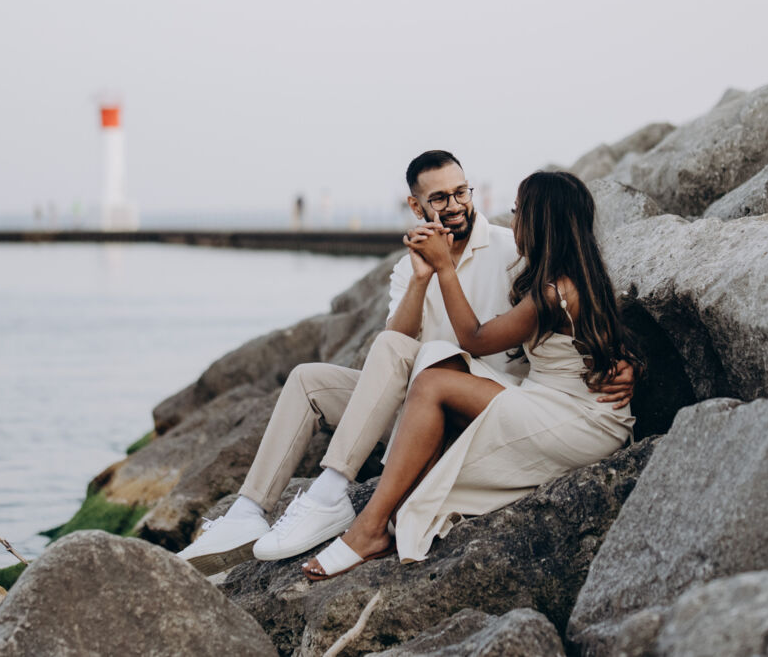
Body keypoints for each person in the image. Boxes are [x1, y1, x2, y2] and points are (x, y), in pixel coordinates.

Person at [178, 153, 635, 575]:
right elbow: (394, 344)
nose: (454, 205)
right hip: (419, 401)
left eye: (461, 192)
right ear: (416, 207)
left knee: (429, 359)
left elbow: (579, 309)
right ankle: (248, 511)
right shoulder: (406, 267)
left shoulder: (513, 249)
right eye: (439, 198)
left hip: (486, 402)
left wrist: (626, 362)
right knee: (308, 378)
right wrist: (422, 277)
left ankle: (334, 493)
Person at [303, 170, 643, 579]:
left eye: (518, 212)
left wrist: (444, 267)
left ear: (539, 222)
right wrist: (628, 363)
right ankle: (397, 506)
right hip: (552, 399)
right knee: (436, 357)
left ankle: (369, 528)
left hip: (578, 419)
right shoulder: (573, 275)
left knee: (433, 383)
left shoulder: (553, 292)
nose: (512, 222)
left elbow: (475, 338)